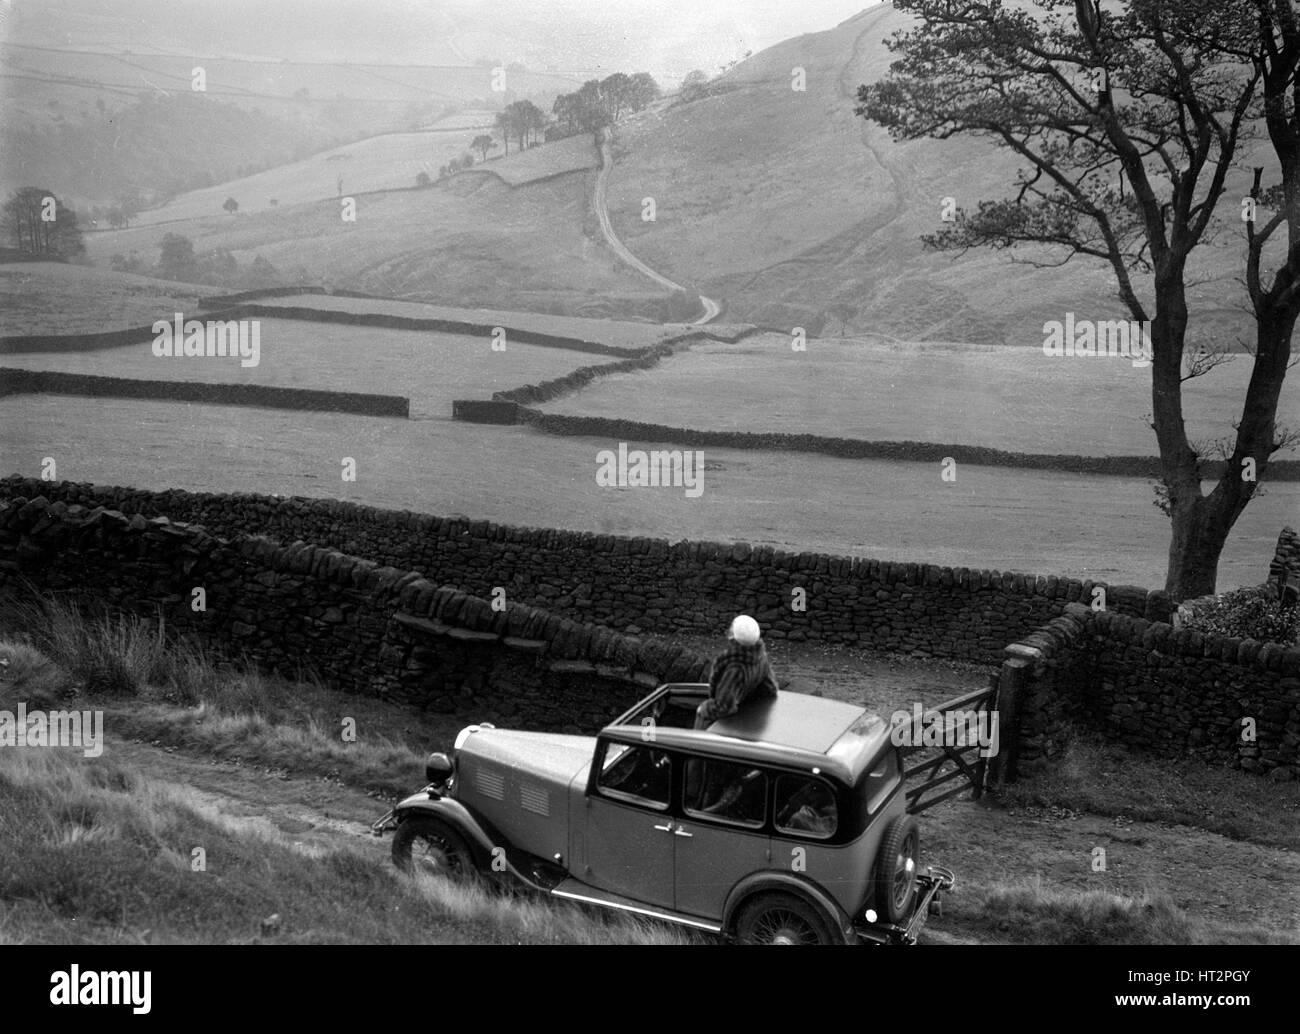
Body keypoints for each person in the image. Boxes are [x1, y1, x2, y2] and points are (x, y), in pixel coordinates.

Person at [694, 614, 779, 730]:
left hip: (719, 725)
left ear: (734, 637)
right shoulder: (760, 658)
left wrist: (704, 709)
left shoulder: (735, 668)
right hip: (745, 712)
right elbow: (770, 688)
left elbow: (724, 706)